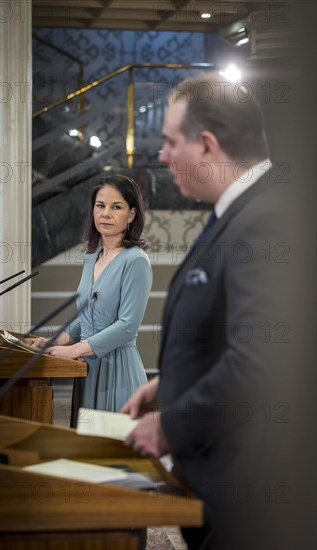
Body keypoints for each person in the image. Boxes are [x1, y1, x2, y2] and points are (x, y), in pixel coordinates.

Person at [121, 72, 292, 549]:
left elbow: (262, 361)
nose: (162, 156)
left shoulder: (267, 220)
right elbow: (224, 333)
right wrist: (169, 384)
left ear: (208, 146)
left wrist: (171, 424)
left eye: (172, 142)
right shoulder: (236, 213)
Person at [28, 174, 152, 425]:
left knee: (112, 458)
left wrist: (73, 350)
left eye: (116, 207)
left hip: (118, 373)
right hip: (87, 370)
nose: (105, 213)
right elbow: (83, 318)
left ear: (131, 215)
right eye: (100, 205)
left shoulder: (135, 261)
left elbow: (127, 327)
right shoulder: (92, 257)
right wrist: (51, 342)